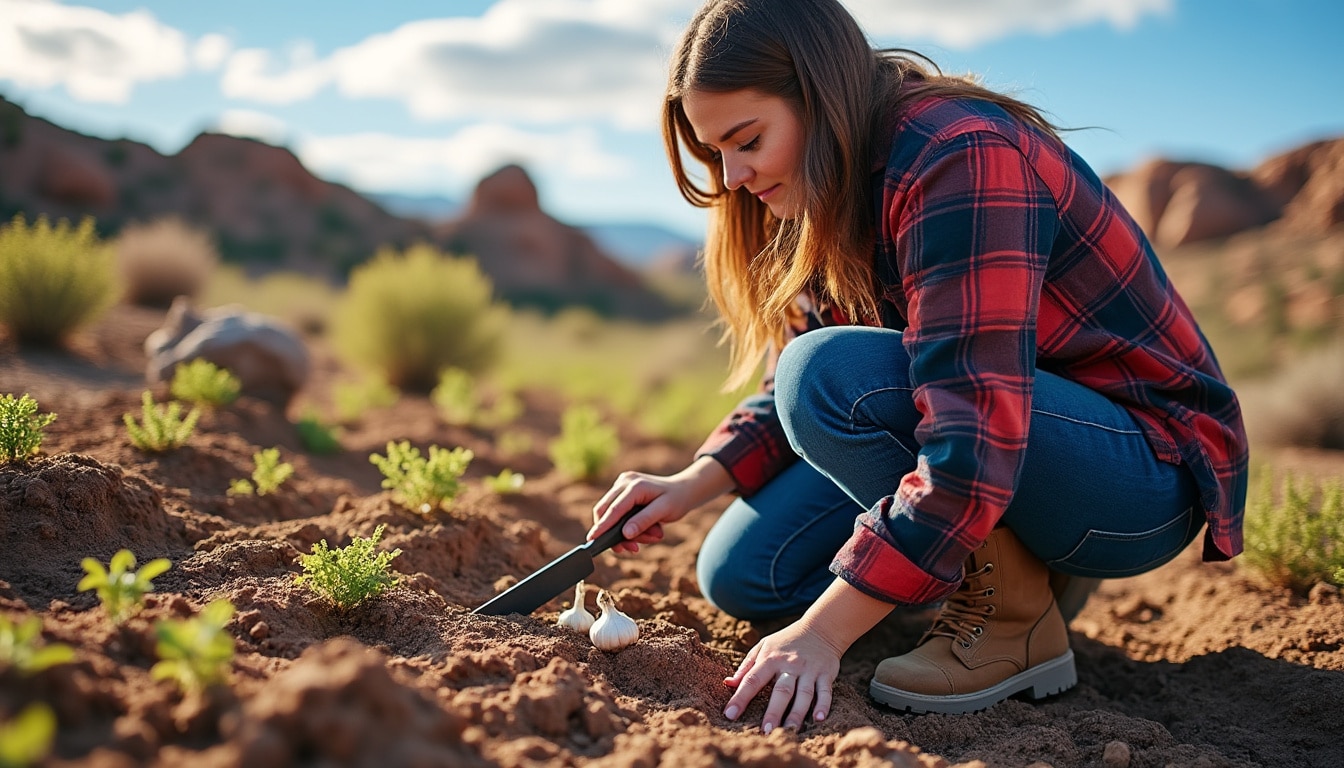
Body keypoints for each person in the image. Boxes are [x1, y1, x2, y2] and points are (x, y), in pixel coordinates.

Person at [588, 0, 1248, 731]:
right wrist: (693, 482)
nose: (733, 175)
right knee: (748, 574)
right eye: (717, 153)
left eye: (746, 141)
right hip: (1009, 441)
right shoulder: (827, 185)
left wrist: (823, 634)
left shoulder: (957, 153)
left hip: (1138, 476)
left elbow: (963, 428)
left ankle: (1016, 617)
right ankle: (1022, 564)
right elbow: (795, 385)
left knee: (828, 376)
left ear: (821, 95)